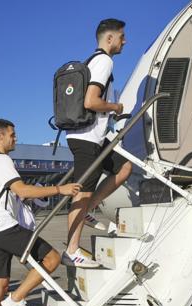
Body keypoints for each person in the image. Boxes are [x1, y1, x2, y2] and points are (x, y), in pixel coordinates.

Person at [0, 119, 81, 306]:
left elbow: (14, 195)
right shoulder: (2, 160)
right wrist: (59, 190)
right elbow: (22, 190)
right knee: (52, 259)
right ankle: (17, 298)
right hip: (5, 227)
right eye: (12, 135)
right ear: (0, 137)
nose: (16, 138)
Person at [63, 18, 130, 268]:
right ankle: (72, 250)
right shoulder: (104, 61)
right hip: (86, 138)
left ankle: (89, 210)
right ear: (109, 38)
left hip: (92, 137)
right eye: (122, 36)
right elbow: (91, 101)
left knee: (124, 168)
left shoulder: (90, 61)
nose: (125, 41)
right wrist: (115, 107)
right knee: (81, 193)